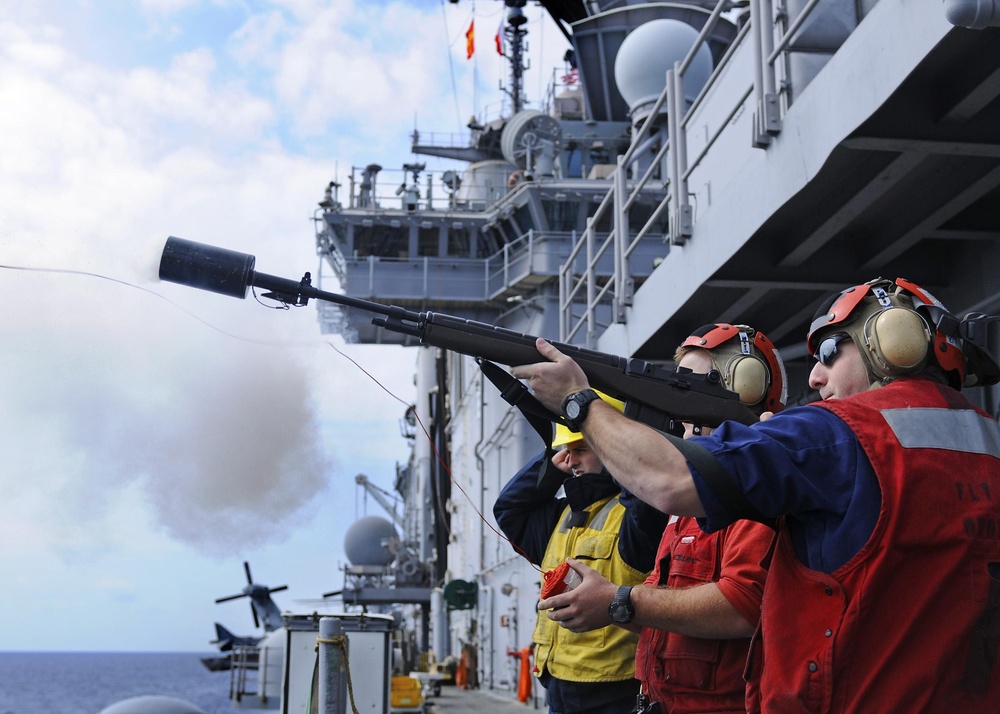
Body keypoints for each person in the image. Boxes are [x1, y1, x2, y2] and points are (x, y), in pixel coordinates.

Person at [512, 278, 1000, 712]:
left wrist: (578, 403)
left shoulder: (830, 435)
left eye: (830, 351)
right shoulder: (987, 442)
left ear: (893, 341)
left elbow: (668, 484)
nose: (815, 377)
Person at [540, 324, 785, 714]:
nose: (678, 405)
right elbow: (664, 610)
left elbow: (743, 604)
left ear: (744, 386)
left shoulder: (758, 483)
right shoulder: (689, 497)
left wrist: (618, 601)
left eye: (691, 388)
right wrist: (606, 603)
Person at [493, 391, 669, 714]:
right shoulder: (561, 517)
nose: (571, 459)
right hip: (558, 692)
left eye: (581, 449)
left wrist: (612, 439)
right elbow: (509, 510)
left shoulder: (635, 518)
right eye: (567, 451)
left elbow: (642, 491)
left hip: (615, 696)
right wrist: (551, 464)